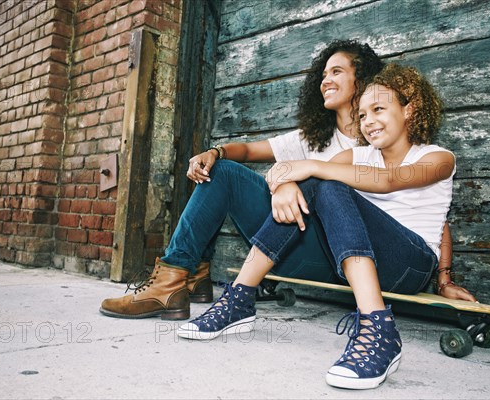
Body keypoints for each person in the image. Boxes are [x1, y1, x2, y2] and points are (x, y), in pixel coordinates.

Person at [99, 40, 472, 320]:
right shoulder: (330, 144)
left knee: (326, 183)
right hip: (319, 248)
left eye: (337, 71)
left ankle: (368, 319)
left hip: (383, 258)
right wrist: (279, 179)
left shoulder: (411, 148)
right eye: (323, 74)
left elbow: (421, 205)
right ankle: (182, 280)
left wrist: (444, 278)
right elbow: (277, 162)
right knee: (227, 172)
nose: (326, 79)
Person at [177, 63, 466, 390]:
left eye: (378, 110)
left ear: (410, 109)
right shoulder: (359, 156)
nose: (368, 121)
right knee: (324, 184)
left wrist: (444, 278)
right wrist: (285, 184)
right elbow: (307, 180)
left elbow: (393, 184)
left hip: (410, 266)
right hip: (362, 262)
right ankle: (240, 299)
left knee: (328, 182)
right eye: (362, 115)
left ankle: (379, 328)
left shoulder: (438, 158)